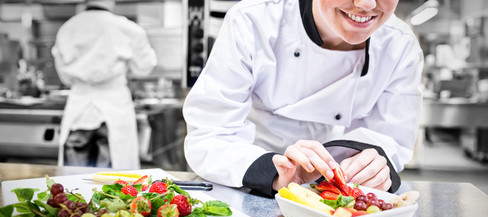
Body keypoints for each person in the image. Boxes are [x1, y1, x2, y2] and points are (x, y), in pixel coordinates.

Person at [182, 0, 424, 197]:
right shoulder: (253, 20)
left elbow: (392, 139)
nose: (366, 4)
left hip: (339, 192)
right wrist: (272, 171)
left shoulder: (399, 44)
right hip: (247, 181)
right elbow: (210, 133)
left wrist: (374, 168)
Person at [51, 0, 157, 169]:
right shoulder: (127, 28)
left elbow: (64, 76)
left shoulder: (67, 28)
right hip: (114, 105)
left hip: (79, 106)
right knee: (115, 180)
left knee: (74, 179)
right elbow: (144, 68)